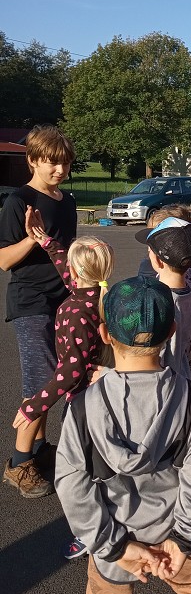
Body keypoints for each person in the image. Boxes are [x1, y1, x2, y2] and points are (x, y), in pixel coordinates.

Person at [54, 276, 191, 594]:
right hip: (175, 532)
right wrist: (184, 539)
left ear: (105, 334)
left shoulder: (84, 408)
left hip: (114, 537)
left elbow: (71, 483)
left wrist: (115, 546)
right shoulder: (189, 397)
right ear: (172, 330)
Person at [13, 210, 114, 559]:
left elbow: (70, 371)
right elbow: (67, 269)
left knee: (81, 472)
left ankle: (94, 532)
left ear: (79, 272)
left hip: (83, 403)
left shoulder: (74, 309)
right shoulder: (98, 296)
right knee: (99, 462)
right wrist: (46, 241)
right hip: (101, 395)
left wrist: (33, 405)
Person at [0, 125, 77, 498]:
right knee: (42, 383)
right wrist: (31, 239)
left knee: (59, 375)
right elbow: (3, 261)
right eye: (51, 163)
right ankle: (17, 464)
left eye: (64, 164)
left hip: (65, 299)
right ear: (32, 160)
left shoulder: (68, 201)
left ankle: (41, 448)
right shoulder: (18, 201)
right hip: (31, 302)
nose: (59, 171)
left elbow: (70, 252)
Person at [135, 216, 191, 382]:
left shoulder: (158, 301)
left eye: (150, 251)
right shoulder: (186, 293)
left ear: (157, 260)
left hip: (161, 385)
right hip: (182, 378)